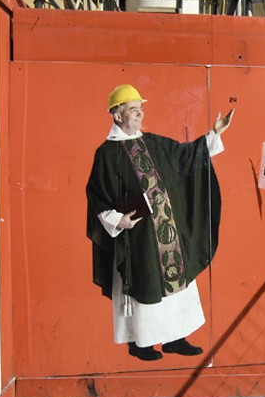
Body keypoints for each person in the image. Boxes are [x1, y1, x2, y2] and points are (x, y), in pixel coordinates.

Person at [86, 84, 234, 361]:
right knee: (145, 286)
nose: (139, 114)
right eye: (133, 110)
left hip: (169, 233)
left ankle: (176, 339)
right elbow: (96, 195)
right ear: (117, 116)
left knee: (177, 283)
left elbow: (186, 156)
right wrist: (118, 220)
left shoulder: (153, 143)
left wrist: (214, 134)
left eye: (140, 109)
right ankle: (141, 344)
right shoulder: (107, 153)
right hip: (138, 235)